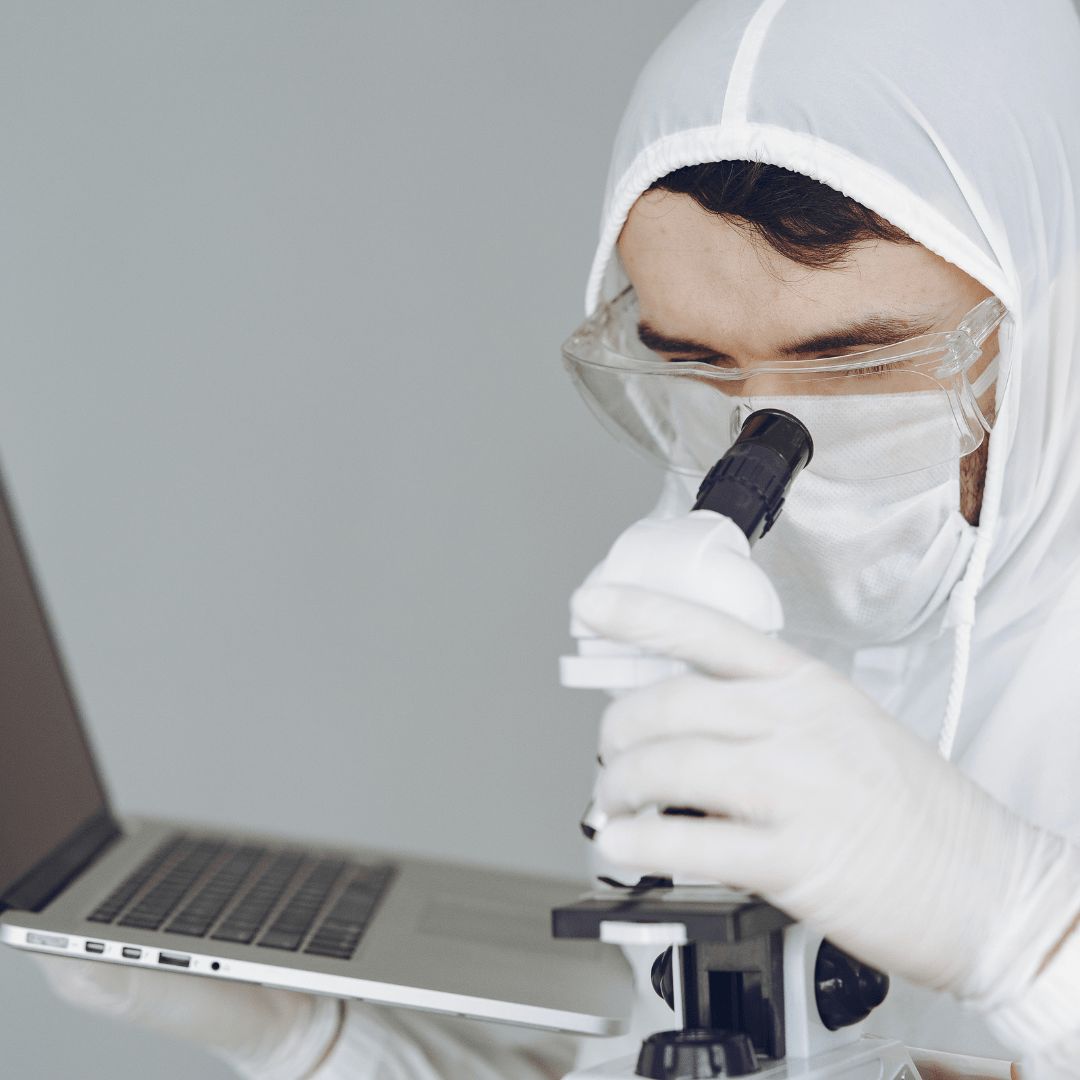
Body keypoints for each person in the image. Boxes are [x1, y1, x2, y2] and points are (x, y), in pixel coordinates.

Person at [38, 0, 1080, 1076]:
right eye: (699, 363)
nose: (765, 446)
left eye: (855, 364)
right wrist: (336, 1048)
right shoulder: (733, 594)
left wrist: (1033, 933)